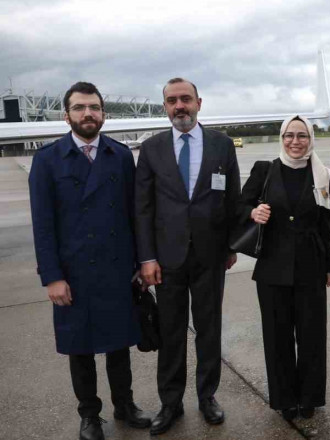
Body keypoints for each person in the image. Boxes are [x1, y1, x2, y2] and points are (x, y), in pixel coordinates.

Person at [29, 81, 151, 440]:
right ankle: (89, 414)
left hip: (116, 269)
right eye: (80, 108)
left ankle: (125, 406)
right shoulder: (48, 159)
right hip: (73, 272)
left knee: (119, 346)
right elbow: (43, 225)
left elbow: (133, 215)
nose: (88, 114)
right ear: (66, 115)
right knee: (79, 348)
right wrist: (52, 276)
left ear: (103, 114)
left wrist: (141, 264)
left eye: (94, 108)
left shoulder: (119, 155)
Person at [135, 78, 242, 435]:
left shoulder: (221, 145)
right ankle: (170, 402)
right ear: (164, 107)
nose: (179, 106)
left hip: (211, 256)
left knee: (208, 330)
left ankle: (207, 395)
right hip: (167, 259)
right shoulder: (151, 149)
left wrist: (230, 247)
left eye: (185, 99)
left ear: (199, 102)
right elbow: (143, 208)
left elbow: (233, 199)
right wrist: (147, 257)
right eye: (171, 101)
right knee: (171, 331)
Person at [241, 115, 330, 422]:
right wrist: (254, 211)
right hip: (272, 268)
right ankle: (284, 399)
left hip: (311, 264)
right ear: (281, 138)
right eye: (289, 136)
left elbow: (325, 222)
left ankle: (309, 397)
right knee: (277, 336)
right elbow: (238, 205)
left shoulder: (320, 174)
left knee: (311, 336)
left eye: (302, 136)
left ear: (311, 139)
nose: (295, 142)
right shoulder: (265, 170)